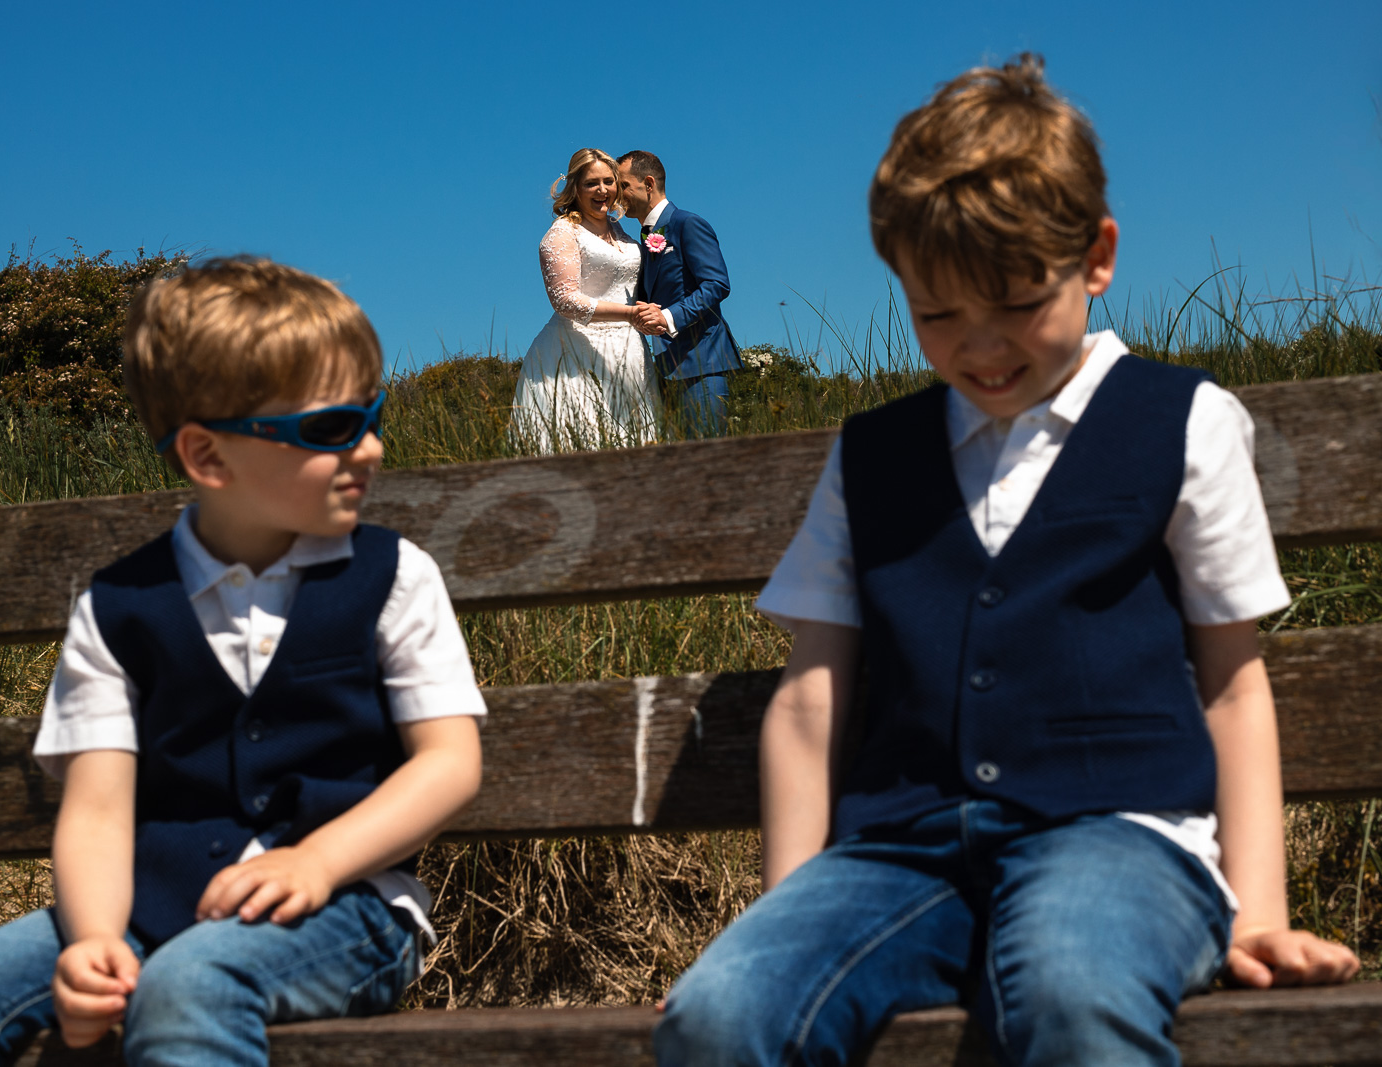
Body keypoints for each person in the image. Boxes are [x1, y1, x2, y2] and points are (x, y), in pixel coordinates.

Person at [654, 56, 1358, 1067]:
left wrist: (1255, 912)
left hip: (1119, 834)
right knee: (723, 1012)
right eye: (937, 315)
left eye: (1019, 303)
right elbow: (811, 698)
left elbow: (1233, 686)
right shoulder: (870, 457)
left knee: (1073, 994)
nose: (981, 347)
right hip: (897, 853)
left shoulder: (1183, 423)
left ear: (1095, 255)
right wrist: (791, 903)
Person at [0, 258, 486, 1067]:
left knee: (189, 986)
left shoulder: (394, 576)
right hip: (145, 902)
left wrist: (319, 860)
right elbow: (96, 810)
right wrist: (94, 942)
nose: (370, 448)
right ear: (208, 457)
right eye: (332, 428)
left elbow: (449, 763)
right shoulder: (120, 605)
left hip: (350, 905)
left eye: (371, 415)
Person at [510, 148, 662, 453]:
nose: (602, 190)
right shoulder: (562, 234)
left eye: (609, 181)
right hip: (575, 354)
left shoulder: (621, 232)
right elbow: (566, 301)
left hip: (629, 352)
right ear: (575, 188)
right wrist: (630, 314)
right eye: (592, 183)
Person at [617, 150, 743, 437]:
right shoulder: (642, 239)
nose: (616, 194)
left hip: (702, 363)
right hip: (663, 370)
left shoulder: (687, 224)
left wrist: (668, 317)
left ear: (648, 184)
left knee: (705, 459)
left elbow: (716, 284)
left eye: (623, 185)